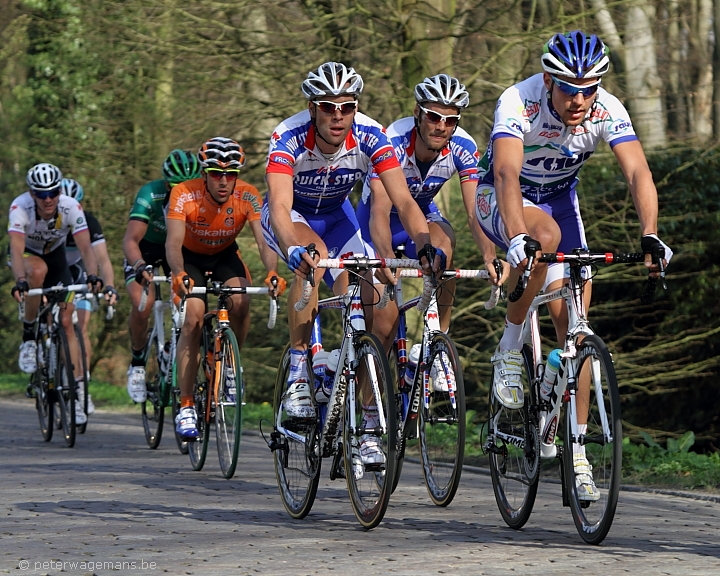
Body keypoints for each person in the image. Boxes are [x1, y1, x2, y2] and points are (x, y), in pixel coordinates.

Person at [475, 30, 673, 501]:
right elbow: (504, 172)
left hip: (561, 201)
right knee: (545, 239)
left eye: (591, 88)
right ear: (549, 81)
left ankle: (577, 453)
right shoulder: (517, 102)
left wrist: (650, 233)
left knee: (578, 332)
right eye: (570, 89)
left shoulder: (607, 108)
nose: (581, 99)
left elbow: (638, 171)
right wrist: (516, 236)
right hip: (504, 199)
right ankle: (508, 348)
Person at [263, 61, 443, 465]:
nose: (338, 116)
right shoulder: (287, 136)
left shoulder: (371, 135)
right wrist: (293, 247)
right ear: (312, 108)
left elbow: (403, 201)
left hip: (338, 218)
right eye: (328, 107)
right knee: (313, 260)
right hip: (294, 218)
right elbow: (278, 204)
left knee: (379, 306)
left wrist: (425, 244)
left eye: (346, 107)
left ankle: (365, 422)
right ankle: (297, 368)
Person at [356, 73, 505, 368]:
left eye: (450, 120)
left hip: (421, 215)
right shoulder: (392, 141)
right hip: (377, 223)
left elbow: (476, 209)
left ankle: (436, 342)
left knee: (443, 248)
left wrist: (490, 255)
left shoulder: (463, 146)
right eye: (433, 116)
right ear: (417, 114)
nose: (441, 126)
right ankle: (370, 409)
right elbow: (380, 210)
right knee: (384, 325)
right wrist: (385, 258)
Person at [168, 137, 285, 440]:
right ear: (204, 173)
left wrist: (272, 271)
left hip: (224, 256)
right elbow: (172, 242)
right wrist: (179, 273)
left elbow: (264, 240)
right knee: (193, 318)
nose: (223, 181)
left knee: (241, 301)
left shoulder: (248, 195)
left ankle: (230, 366)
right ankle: (186, 405)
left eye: (230, 174)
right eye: (216, 174)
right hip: (189, 258)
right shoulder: (184, 193)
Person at [8, 163, 103, 425]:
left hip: (57, 258)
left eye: (53, 192)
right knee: (37, 271)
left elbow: (86, 248)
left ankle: (75, 392)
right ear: (32, 193)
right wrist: (19, 280)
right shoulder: (20, 207)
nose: (48, 199)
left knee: (67, 322)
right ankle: (29, 336)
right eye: (41, 194)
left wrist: (94, 275)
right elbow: (15, 250)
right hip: (28, 256)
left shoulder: (71, 206)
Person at [122, 149, 202, 403]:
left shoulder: (200, 197)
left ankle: (171, 347)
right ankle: (136, 364)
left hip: (175, 248)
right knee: (143, 304)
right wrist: (138, 265)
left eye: (188, 186)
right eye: (177, 186)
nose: (183, 190)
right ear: (166, 183)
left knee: (186, 300)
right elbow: (130, 239)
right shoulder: (151, 193)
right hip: (144, 249)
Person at [61, 178, 119, 415]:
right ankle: (50, 358)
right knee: (57, 320)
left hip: (80, 272)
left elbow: (102, 259)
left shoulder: (89, 222)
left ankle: (81, 383)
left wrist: (110, 285)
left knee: (80, 327)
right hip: (57, 273)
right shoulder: (50, 223)